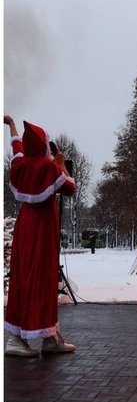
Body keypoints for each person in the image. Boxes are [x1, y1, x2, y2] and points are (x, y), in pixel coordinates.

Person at [4, 114, 77, 356]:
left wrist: (13, 126)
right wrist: (60, 163)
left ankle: (26, 338)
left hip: (25, 227)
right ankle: (47, 338)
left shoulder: (21, 165)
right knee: (43, 280)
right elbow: (70, 188)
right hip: (44, 230)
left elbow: (16, 147)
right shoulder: (48, 168)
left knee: (22, 277)